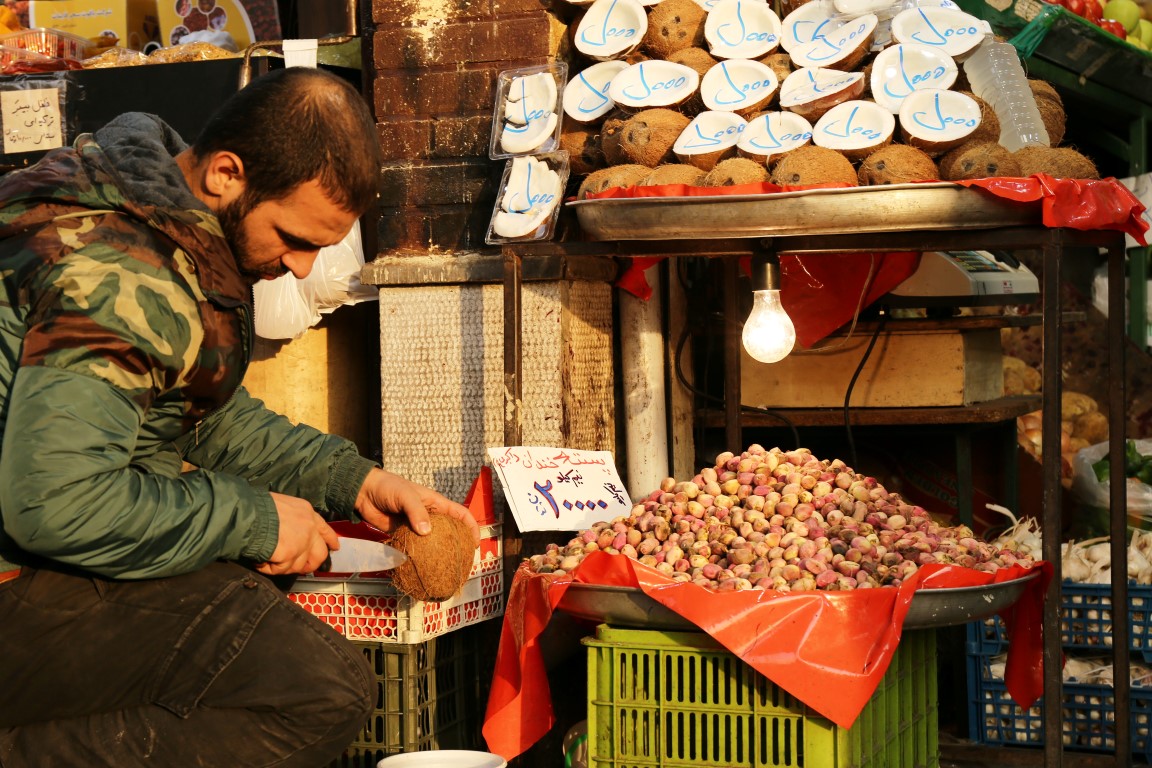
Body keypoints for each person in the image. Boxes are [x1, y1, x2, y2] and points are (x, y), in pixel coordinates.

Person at [0, 66, 480, 767]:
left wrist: (352, 480)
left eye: (322, 245)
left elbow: (197, 412)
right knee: (315, 689)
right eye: (292, 237)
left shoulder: (148, 210)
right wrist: (253, 518)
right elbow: (56, 502)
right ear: (227, 172)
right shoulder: (119, 270)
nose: (302, 267)